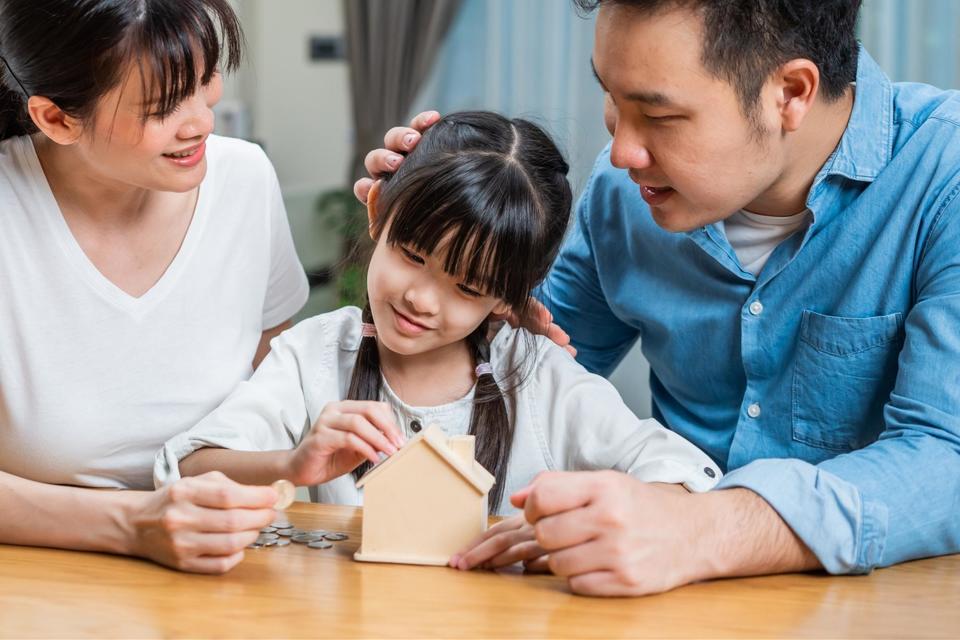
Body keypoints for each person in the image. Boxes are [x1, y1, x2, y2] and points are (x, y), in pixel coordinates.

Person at [356, 0, 960, 596]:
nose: (621, 153)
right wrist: (431, 239)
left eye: (658, 115)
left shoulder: (944, 176)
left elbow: (946, 459)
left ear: (792, 93)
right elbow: (519, 370)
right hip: (651, 602)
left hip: (879, 605)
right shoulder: (627, 194)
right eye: (613, 101)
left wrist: (702, 528)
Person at [153, 113, 722, 572]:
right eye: (412, 255)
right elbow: (191, 468)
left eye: (467, 285)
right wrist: (294, 463)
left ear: (505, 298)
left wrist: (581, 522)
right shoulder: (315, 355)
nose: (422, 298)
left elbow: (683, 474)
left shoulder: (538, 374)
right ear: (378, 213)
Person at [0, 0, 308, 573]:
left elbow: (272, 395)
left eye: (204, 81)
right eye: (165, 105)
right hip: (36, 583)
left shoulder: (244, 179)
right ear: (57, 120)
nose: (202, 123)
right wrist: (132, 525)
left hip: (226, 564)